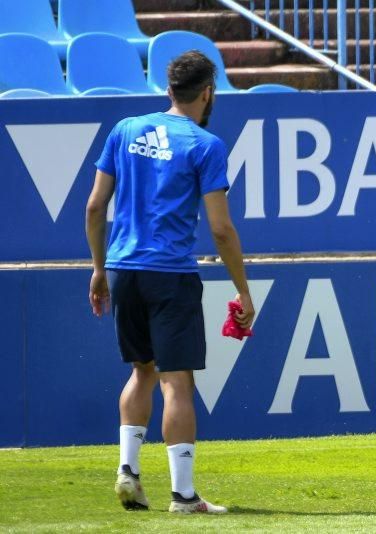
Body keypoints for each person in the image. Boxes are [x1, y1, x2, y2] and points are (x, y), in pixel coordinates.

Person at [85, 50, 255, 514]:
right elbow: (221, 228)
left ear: (168, 90)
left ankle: (128, 471)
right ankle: (182, 495)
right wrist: (242, 288)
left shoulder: (125, 130)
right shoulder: (205, 144)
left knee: (142, 370)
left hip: (122, 269)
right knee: (177, 382)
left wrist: (100, 269)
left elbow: (95, 207)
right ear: (207, 92)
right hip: (170, 273)